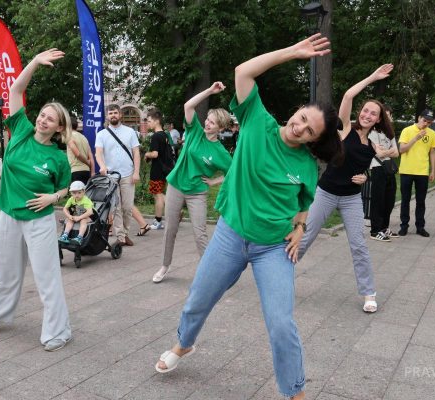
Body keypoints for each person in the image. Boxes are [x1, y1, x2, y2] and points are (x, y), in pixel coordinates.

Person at [155, 34, 342, 400]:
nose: (300, 127)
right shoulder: (258, 120)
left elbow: (305, 202)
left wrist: (300, 227)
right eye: (302, 118)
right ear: (297, 111)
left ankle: (295, 392)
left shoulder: (305, 167)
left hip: (273, 248)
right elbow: (244, 73)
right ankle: (183, 344)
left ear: (312, 140)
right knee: (198, 300)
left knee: (282, 324)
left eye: (310, 131)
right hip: (230, 234)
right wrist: (291, 52)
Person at [0, 48, 73, 352]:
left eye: (51, 119)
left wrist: (52, 197)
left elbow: (67, 189)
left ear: (59, 128)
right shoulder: (20, 129)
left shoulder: (57, 157)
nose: (43, 120)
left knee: (47, 277)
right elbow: (16, 89)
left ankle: (58, 332)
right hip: (9, 215)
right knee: (5, 271)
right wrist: (34, 63)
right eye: (42, 114)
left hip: (39, 220)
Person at [298, 63, 394, 314]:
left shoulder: (372, 146)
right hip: (326, 193)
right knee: (305, 237)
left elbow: (372, 163)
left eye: (374, 113)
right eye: (366, 110)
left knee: (359, 245)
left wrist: (364, 176)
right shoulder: (346, 129)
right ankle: (280, 275)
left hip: (351, 199)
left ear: (378, 119)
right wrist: (373, 76)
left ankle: (368, 293)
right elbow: (348, 96)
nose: (368, 115)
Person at [152, 82, 233, 283]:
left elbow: (233, 172)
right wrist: (210, 91)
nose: (207, 124)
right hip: (177, 185)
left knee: (200, 234)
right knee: (170, 229)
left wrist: (215, 181)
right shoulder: (196, 131)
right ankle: (164, 266)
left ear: (221, 128)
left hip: (197, 192)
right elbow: (188, 106)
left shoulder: (221, 153)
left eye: (212, 123)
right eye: (207, 120)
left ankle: (209, 271)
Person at [95, 104, 141, 246]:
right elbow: (98, 153)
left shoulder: (130, 132)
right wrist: (102, 166)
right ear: (107, 116)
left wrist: (137, 172)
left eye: (115, 113)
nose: (113, 115)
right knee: (116, 208)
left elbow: (136, 153)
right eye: (110, 113)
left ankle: (125, 233)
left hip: (128, 175)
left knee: (127, 207)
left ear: (120, 115)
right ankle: (120, 237)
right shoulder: (101, 134)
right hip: (111, 176)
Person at [397, 109, 435, 237]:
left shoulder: (432, 134)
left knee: (421, 201)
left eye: (429, 122)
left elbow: (432, 152)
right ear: (419, 117)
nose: (426, 124)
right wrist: (416, 138)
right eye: (424, 120)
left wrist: (433, 170)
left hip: (422, 172)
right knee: (405, 200)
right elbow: (401, 149)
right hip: (406, 170)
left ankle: (420, 227)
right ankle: (404, 226)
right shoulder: (407, 130)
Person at [368, 105, 399, 241]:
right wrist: (388, 152)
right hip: (378, 168)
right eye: (385, 115)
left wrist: (384, 152)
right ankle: (375, 230)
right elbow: (378, 154)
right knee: (378, 199)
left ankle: (384, 227)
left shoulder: (390, 133)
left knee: (389, 200)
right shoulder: (373, 132)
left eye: (389, 115)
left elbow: (397, 153)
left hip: (389, 168)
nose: (388, 118)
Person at [145, 109, 174, 230]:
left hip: (157, 170)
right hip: (166, 169)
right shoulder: (165, 135)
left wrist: (147, 154)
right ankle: (173, 212)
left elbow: (155, 154)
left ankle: (158, 221)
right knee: (159, 193)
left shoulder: (156, 136)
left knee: (158, 195)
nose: (148, 123)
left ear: (157, 121)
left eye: (149, 121)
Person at [59, 180, 94, 245]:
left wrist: (79, 217)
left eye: (79, 192)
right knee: (69, 220)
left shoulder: (86, 200)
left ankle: (79, 237)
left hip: (87, 216)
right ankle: (65, 235)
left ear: (84, 191)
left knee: (83, 221)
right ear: (71, 193)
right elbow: (65, 209)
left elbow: (90, 212)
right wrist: (69, 216)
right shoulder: (71, 199)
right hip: (77, 215)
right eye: (74, 193)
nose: (77, 195)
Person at [67, 115, 94, 184]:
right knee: (85, 194)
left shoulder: (69, 137)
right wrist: (92, 172)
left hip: (76, 171)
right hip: (87, 171)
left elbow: (77, 154)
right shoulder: (84, 137)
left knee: (76, 194)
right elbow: (91, 155)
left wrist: (87, 162)